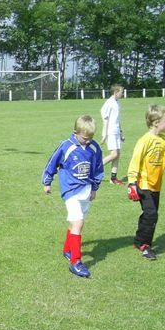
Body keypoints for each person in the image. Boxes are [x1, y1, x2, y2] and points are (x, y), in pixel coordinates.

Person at [42, 115, 104, 278]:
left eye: (91, 137)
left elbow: (98, 169)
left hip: (86, 189)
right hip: (70, 190)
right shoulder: (66, 146)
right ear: (75, 132)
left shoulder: (94, 148)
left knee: (75, 222)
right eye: (85, 137)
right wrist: (47, 182)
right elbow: (52, 163)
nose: (88, 140)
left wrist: (94, 188)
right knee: (78, 222)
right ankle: (75, 262)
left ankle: (67, 250)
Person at [127, 104, 165, 260]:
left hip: (156, 185)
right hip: (143, 185)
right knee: (151, 214)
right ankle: (145, 245)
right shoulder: (145, 140)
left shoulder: (164, 140)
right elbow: (135, 161)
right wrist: (131, 183)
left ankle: (139, 241)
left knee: (149, 214)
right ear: (156, 122)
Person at [100, 84, 125, 185]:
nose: (122, 94)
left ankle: (113, 178)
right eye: (121, 92)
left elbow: (117, 119)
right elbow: (105, 118)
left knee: (117, 155)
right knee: (113, 154)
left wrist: (121, 132)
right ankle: (95, 167)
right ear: (115, 92)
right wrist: (104, 133)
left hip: (116, 131)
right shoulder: (109, 103)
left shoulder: (117, 102)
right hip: (110, 132)